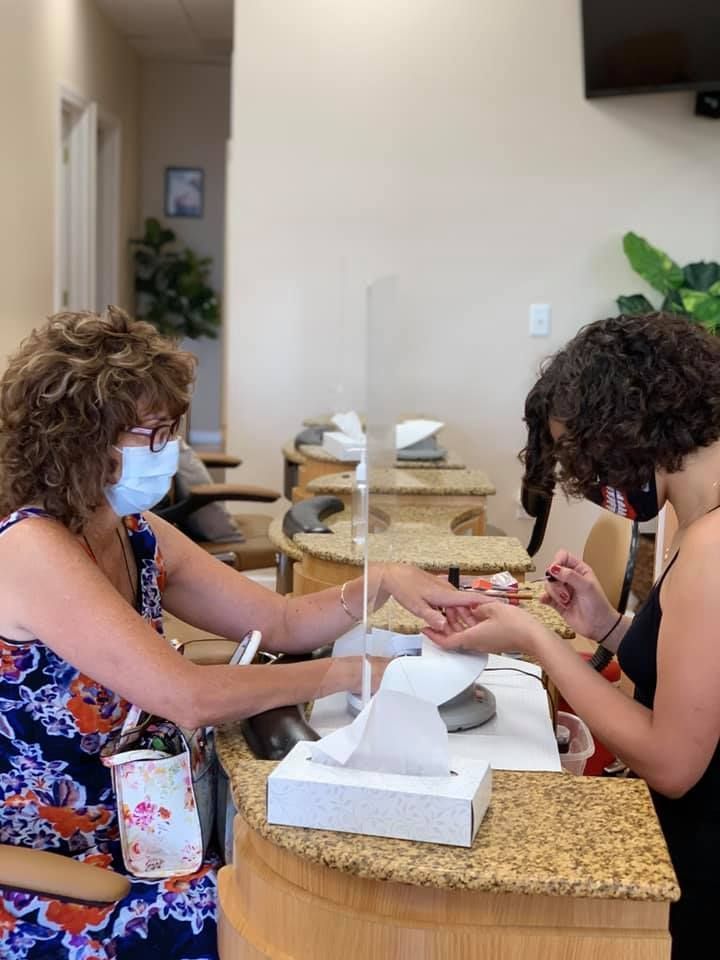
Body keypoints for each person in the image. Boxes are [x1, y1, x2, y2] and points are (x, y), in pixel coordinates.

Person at [0, 306, 474, 960]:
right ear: (82, 439)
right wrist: (352, 673)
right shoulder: (32, 549)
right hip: (71, 868)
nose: (168, 450)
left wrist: (386, 581)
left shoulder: (129, 532)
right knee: (288, 915)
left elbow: (278, 620)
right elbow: (186, 696)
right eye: (153, 434)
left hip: (156, 828)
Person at [425, 312, 720, 959]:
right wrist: (607, 627)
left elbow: (673, 762)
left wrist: (538, 639)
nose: (583, 476)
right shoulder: (698, 519)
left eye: (580, 452)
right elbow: (696, 675)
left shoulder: (709, 549)